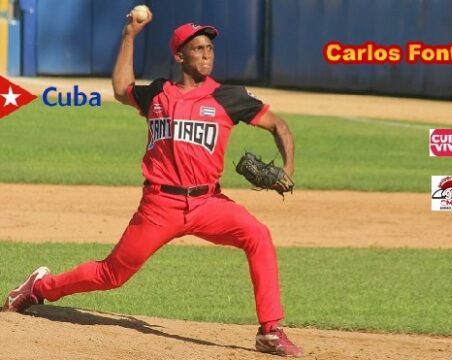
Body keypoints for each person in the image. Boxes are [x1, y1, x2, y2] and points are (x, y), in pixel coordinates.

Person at [2, 9, 304, 358]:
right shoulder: (158, 93)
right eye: (198, 49)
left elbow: (279, 126)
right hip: (160, 206)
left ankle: (270, 331)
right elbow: (120, 89)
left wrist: (288, 168)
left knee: (258, 236)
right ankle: (39, 288)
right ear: (179, 56)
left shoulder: (228, 97)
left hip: (209, 204)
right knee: (111, 274)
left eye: (210, 48)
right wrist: (129, 34)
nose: (207, 54)